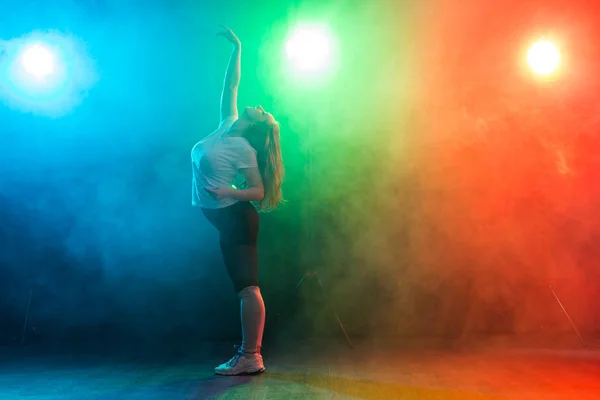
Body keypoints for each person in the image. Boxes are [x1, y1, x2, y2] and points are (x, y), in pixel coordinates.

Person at [191, 25, 284, 376]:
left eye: (263, 112)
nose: (259, 106)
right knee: (243, 288)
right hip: (225, 218)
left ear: (256, 127)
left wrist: (230, 192)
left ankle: (251, 355)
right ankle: (249, 354)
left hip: (236, 219)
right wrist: (237, 47)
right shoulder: (227, 122)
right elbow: (230, 84)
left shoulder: (243, 149)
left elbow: (259, 192)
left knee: (247, 288)